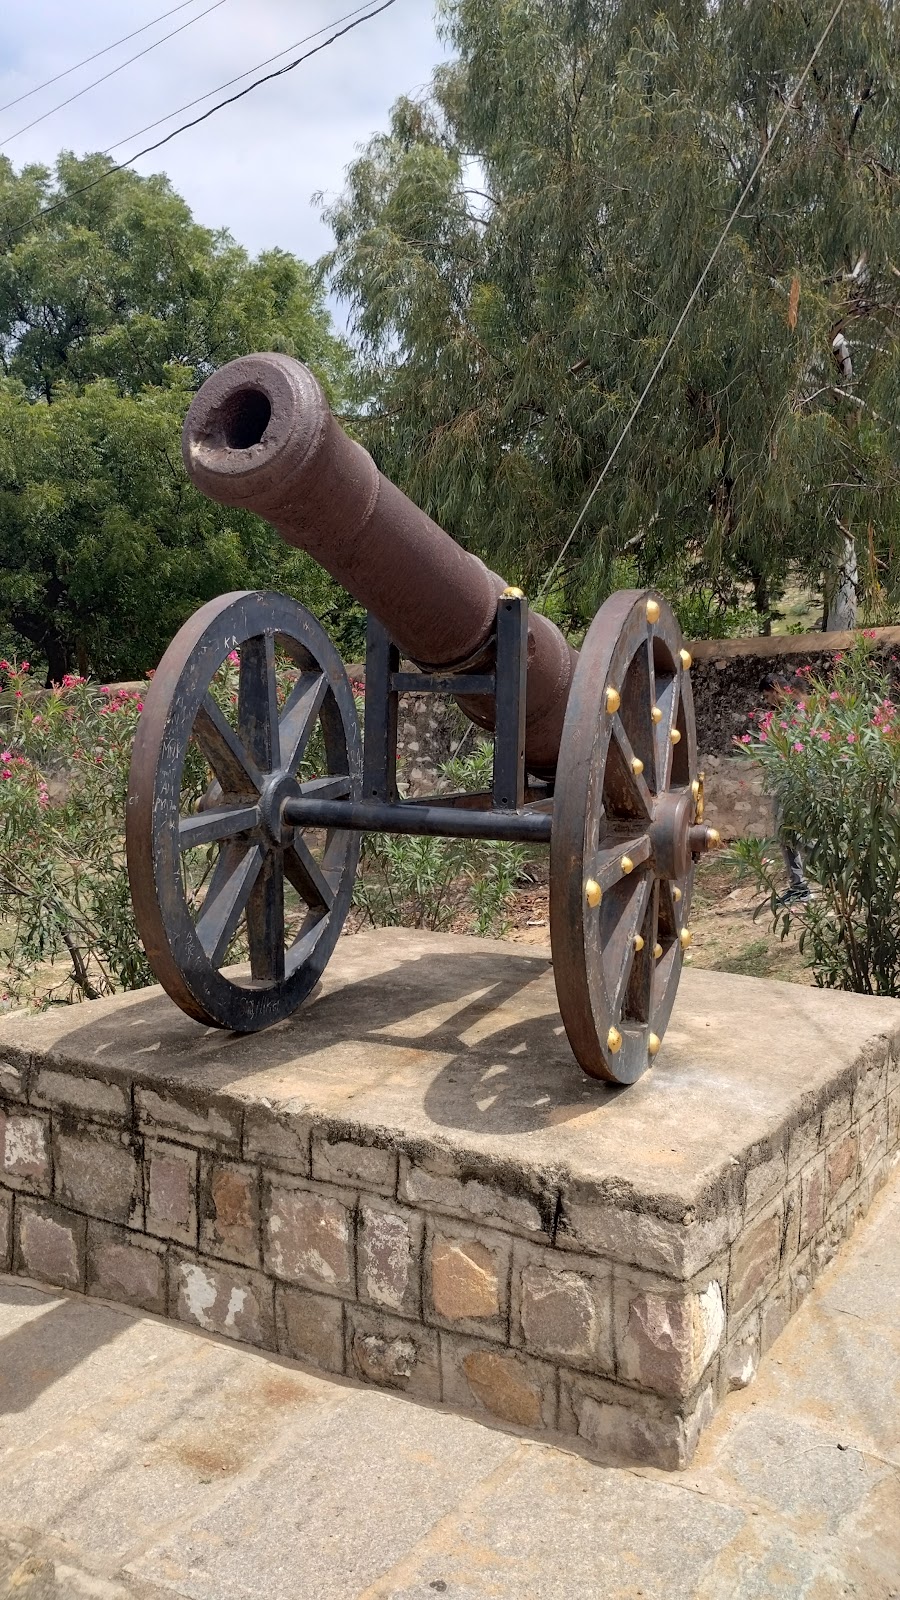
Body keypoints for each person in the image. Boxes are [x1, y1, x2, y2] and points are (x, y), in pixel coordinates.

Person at [758, 672, 811, 906]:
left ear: (777, 689)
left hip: (798, 780)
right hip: (787, 780)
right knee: (786, 834)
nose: (767, 700)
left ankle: (831, 868)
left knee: (791, 834)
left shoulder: (797, 713)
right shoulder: (787, 713)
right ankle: (800, 885)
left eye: (768, 695)